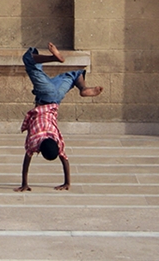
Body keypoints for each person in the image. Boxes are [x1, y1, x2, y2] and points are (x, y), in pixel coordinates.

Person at [15, 42, 102, 192]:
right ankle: (80, 85)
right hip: (46, 95)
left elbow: (65, 160)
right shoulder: (34, 141)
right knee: (28, 59)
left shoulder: (57, 140)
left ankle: (80, 84)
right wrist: (24, 183)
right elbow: (26, 161)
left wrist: (67, 182)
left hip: (55, 97)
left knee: (75, 73)